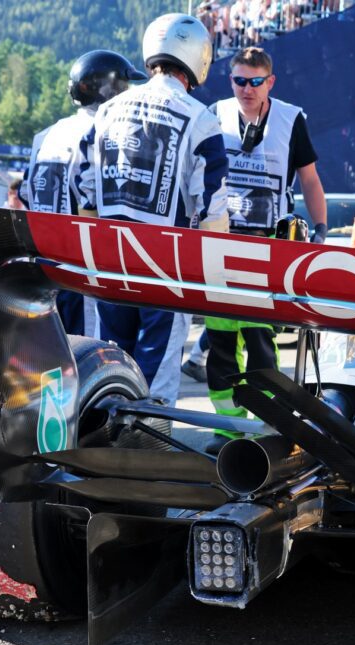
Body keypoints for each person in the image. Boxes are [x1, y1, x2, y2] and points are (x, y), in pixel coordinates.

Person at [71, 13, 228, 409]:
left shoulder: (107, 110)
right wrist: (212, 274)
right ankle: (149, 452)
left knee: (111, 363)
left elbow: (82, 184)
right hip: (166, 265)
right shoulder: (201, 118)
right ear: (198, 58)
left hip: (108, 258)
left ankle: (101, 445)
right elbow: (212, 205)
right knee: (155, 378)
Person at [201, 45, 328, 454]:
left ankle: (267, 424)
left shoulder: (291, 120)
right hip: (221, 245)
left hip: (267, 249)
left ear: (270, 82)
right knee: (220, 341)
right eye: (240, 80)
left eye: (255, 82)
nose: (247, 89)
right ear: (231, 79)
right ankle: (227, 428)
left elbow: (309, 179)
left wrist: (321, 230)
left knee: (259, 339)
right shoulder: (215, 114)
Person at [26, 49, 146, 335]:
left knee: (52, 353)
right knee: (89, 352)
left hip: (44, 262)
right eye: (125, 86)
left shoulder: (47, 134)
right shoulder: (106, 131)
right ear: (111, 88)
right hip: (84, 266)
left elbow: (28, 191)